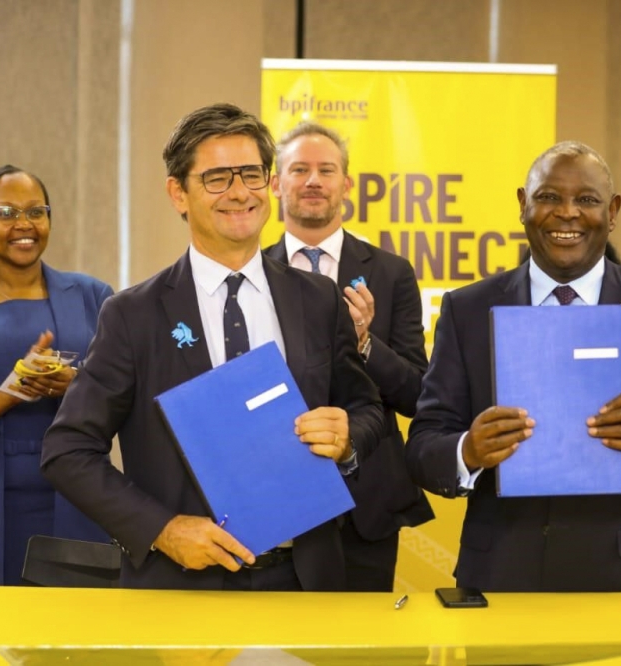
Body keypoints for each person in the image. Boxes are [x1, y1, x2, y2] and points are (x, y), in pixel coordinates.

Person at [41, 103, 383, 591]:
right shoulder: (133, 314)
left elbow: (365, 407)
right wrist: (161, 530)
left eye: (251, 174)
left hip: (305, 580)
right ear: (178, 193)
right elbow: (67, 450)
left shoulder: (317, 298)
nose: (240, 192)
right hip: (182, 584)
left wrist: (349, 436)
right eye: (218, 178)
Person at [405, 141, 621, 592]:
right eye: (549, 197)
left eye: (587, 200)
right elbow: (423, 443)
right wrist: (468, 451)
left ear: (612, 212)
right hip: (500, 573)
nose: (567, 213)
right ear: (523, 205)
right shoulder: (466, 310)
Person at [265, 122, 434, 592]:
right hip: (280, 491)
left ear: (347, 184)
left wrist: (365, 344)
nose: (313, 180)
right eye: (299, 169)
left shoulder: (391, 272)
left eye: (326, 169)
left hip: (370, 502)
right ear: (277, 183)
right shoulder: (254, 274)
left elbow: (418, 395)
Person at [0, 165, 110, 585]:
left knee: (73, 639)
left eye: (36, 211)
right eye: (7, 213)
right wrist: (12, 391)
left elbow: (127, 392)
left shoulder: (94, 297)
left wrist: (76, 385)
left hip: (79, 496)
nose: (23, 225)